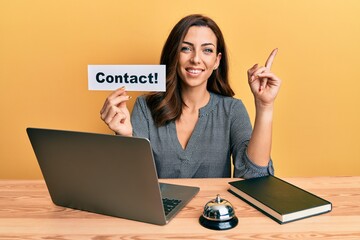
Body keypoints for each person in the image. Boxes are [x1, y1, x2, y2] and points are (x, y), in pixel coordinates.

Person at [100, 14, 281, 179]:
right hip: (160, 213)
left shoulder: (232, 110)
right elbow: (131, 180)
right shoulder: (145, 106)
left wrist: (265, 106)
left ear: (217, 61)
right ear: (174, 55)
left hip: (211, 213)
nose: (196, 59)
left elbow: (254, 177)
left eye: (207, 50)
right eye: (186, 49)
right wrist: (125, 136)